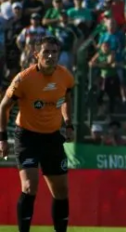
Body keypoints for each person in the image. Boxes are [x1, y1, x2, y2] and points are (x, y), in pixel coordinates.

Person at [0, 36, 74, 232]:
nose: (50, 56)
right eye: (46, 52)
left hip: (52, 137)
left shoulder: (65, 76)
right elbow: (4, 106)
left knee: (62, 191)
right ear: (36, 55)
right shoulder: (24, 79)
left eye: (54, 52)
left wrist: (68, 124)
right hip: (27, 137)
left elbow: (66, 98)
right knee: (29, 187)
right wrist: (2, 138)